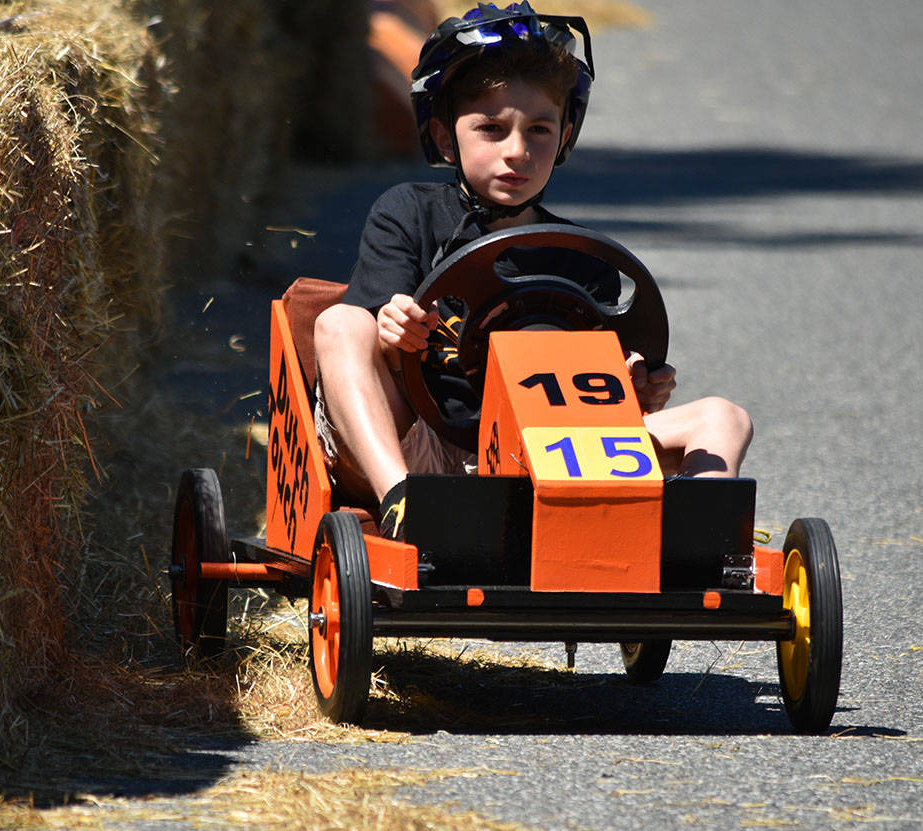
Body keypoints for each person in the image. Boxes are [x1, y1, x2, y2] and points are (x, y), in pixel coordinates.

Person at [313, 2, 752, 539]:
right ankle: (403, 504)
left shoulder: (582, 255)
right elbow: (374, 332)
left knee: (724, 417)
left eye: (539, 130)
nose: (517, 152)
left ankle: (695, 541)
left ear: (564, 137)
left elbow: (601, 385)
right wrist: (392, 326)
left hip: (555, 453)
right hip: (428, 444)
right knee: (339, 324)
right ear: (447, 137)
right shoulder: (408, 212)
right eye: (492, 129)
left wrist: (637, 381)